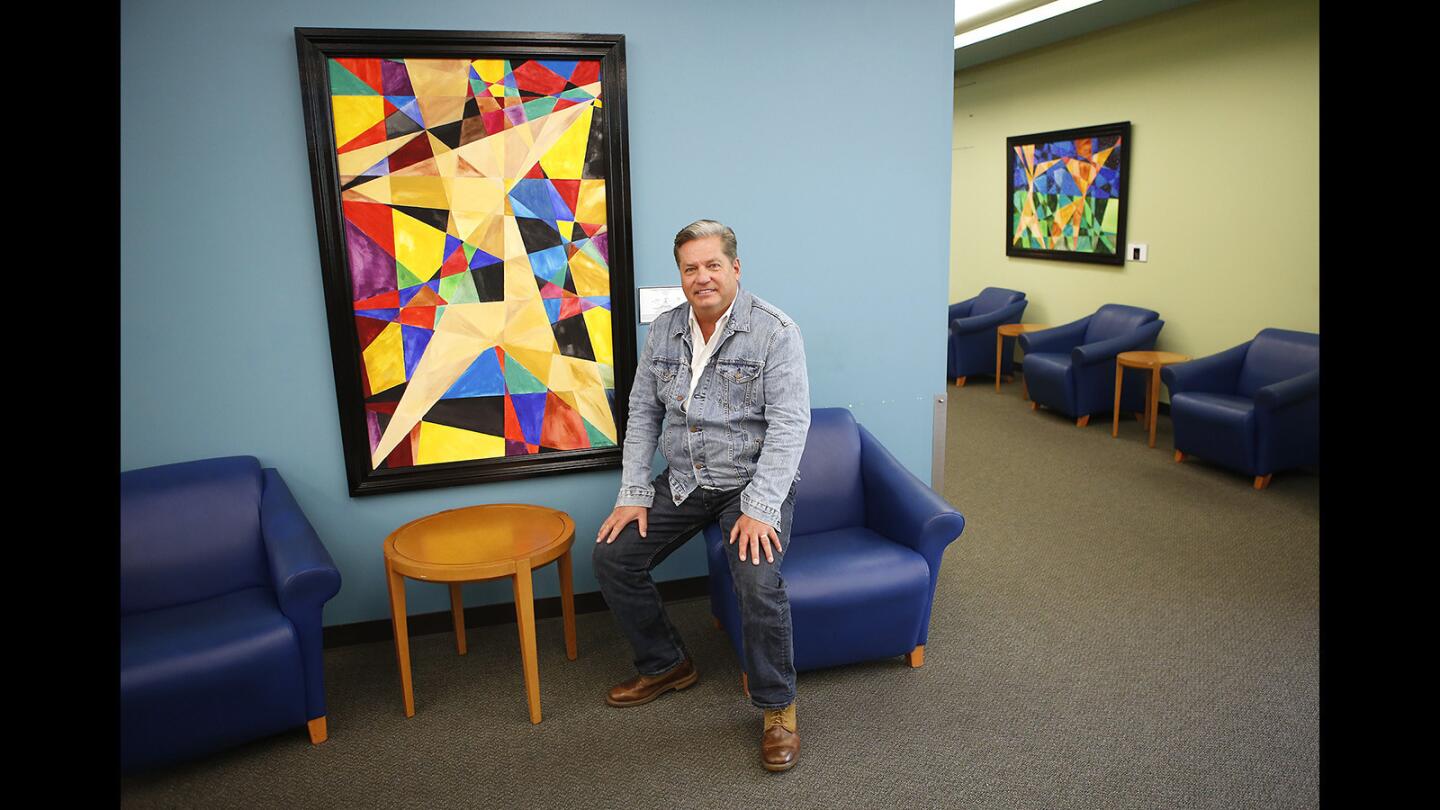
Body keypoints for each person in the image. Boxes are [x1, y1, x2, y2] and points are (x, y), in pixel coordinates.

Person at [592, 219, 811, 772]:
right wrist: (635, 491)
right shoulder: (664, 331)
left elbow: (790, 425)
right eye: (691, 268)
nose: (702, 277)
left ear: (735, 268)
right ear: (681, 276)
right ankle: (666, 664)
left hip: (751, 482)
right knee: (614, 555)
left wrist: (762, 509)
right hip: (688, 478)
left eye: (713, 265)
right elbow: (642, 411)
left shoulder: (776, 332)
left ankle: (777, 707)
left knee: (757, 580)